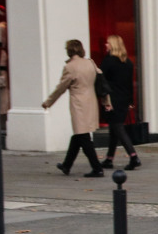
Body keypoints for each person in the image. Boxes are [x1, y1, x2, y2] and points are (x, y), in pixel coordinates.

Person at [42, 39, 109, 178]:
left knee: (83, 136)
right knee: (79, 135)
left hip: (79, 104)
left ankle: (97, 168)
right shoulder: (90, 62)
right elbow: (101, 81)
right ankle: (67, 165)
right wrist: (106, 101)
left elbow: (60, 88)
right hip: (91, 103)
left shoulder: (70, 67)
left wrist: (48, 102)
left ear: (69, 50)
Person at [99, 35, 140, 170]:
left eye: (108, 43)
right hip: (123, 99)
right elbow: (129, 84)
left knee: (118, 128)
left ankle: (133, 156)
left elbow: (101, 79)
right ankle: (109, 159)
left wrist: (101, 96)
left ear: (113, 45)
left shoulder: (108, 61)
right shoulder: (128, 62)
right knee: (114, 129)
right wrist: (130, 101)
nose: (106, 45)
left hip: (112, 99)